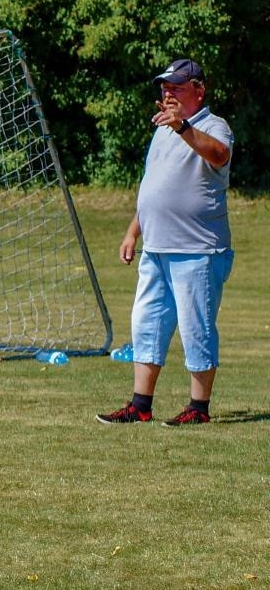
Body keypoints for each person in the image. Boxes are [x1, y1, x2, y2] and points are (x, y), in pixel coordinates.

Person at [98, 59, 233, 426]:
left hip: (197, 250)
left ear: (199, 91)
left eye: (177, 86)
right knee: (146, 324)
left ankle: (198, 409)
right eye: (165, 87)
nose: (168, 92)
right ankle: (140, 406)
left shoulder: (213, 126)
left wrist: (182, 127)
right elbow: (153, 188)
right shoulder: (162, 129)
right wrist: (133, 231)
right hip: (156, 247)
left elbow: (219, 155)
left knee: (196, 329)